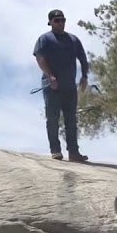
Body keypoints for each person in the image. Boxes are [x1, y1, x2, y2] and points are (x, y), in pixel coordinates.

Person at [33, 9, 90, 162]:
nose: (60, 23)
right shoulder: (45, 39)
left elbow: (83, 59)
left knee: (71, 119)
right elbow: (40, 58)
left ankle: (74, 152)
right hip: (52, 86)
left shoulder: (73, 40)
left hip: (69, 86)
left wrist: (84, 76)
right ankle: (55, 150)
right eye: (57, 20)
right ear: (50, 22)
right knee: (52, 118)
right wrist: (50, 76)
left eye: (63, 20)